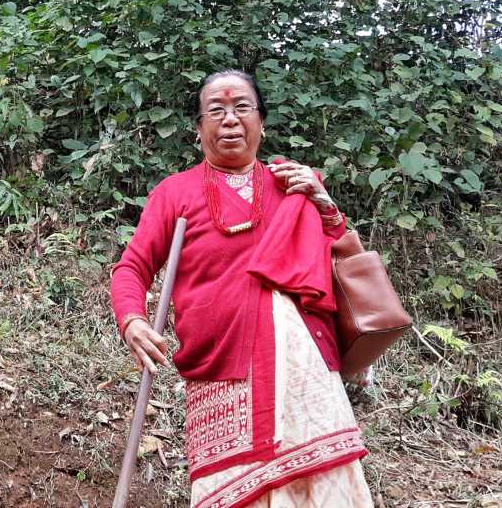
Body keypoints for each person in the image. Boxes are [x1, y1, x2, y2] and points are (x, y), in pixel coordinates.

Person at [110, 70, 374, 507]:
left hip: (303, 367)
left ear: (262, 123)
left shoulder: (295, 183)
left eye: (241, 108)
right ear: (199, 130)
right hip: (221, 367)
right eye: (216, 110)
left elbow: (341, 255)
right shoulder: (174, 193)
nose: (229, 119)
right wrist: (132, 321)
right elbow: (132, 267)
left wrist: (324, 204)